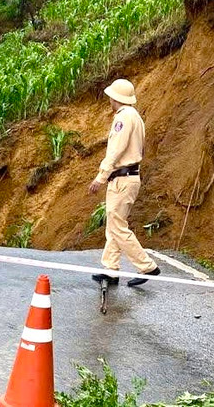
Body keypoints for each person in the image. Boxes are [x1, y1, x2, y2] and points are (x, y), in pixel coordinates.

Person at [88, 79, 160, 287]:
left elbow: (115, 150)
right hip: (127, 177)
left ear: (115, 98)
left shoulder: (123, 117)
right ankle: (110, 269)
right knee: (114, 224)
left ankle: (147, 266)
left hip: (122, 178)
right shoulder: (134, 116)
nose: (109, 100)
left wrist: (101, 176)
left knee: (117, 226)